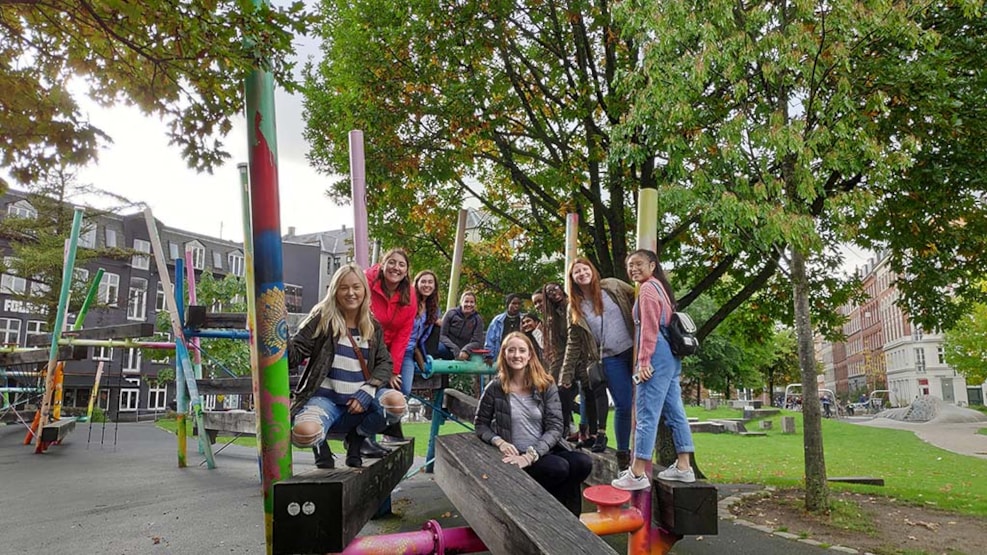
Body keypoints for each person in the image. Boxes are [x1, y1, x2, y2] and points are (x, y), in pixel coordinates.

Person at [288, 263, 407, 469]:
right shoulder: (322, 319)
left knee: (396, 403)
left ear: (364, 290)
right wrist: (278, 334)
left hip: (361, 398)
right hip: (326, 399)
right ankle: (320, 443)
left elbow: (385, 362)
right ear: (335, 291)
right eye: (344, 288)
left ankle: (357, 438)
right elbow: (294, 356)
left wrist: (368, 390)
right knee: (304, 434)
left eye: (356, 287)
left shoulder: (371, 325)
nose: (351, 293)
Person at [474, 331, 593, 516]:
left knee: (582, 462)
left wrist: (531, 455)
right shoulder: (496, 388)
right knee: (559, 468)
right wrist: (499, 441)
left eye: (522, 350)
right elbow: (481, 424)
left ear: (530, 355)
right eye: (511, 350)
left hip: (541, 450)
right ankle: (560, 514)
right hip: (516, 453)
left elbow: (555, 427)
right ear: (504, 354)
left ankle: (564, 514)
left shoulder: (545, 385)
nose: (516, 355)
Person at [612, 250, 696, 490]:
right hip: (669, 354)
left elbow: (648, 328)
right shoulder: (661, 288)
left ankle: (637, 473)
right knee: (675, 410)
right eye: (629, 265)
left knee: (646, 412)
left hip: (656, 352)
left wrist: (644, 361)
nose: (633, 269)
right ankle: (684, 466)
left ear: (652, 264)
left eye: (638, 263)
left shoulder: (648, 289)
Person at [561, 257, 636, 468]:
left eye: (585, 269)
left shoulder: (611, 286)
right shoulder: (574, 308)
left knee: (648, 401)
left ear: (592, 271)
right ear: (572, 279)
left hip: (633, 350)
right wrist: (566, 374)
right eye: (577, 272)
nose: (582, 273)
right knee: (624, 403)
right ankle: (623, 453)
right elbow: (573, 343)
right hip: (609, 357)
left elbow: (638, 296)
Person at [364, 248, 417, 451]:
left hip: (388, 346)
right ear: (383, 264)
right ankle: (365, 436)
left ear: (406, 270)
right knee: (369, 387)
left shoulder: (409, 294)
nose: (396, 268)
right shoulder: (369, 281)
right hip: (365, 342)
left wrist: (393, 369)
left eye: (401, 264)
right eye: (392, 262)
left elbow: (404, 333)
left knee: (400, 388)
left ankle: (387, 430)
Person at [541, 282, 575, 438]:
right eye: (549, 292)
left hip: (580, 354)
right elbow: (559, 348)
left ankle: (584, 429)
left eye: (555, 289)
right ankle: (564, 425)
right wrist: (553, 375)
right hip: (564, 355)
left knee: (583, 391)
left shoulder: (573, 305)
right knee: (557, 389)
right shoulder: (553, 316)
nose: (553, 293)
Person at [438, 291, 485, 360]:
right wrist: (454, 348)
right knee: (439, 349)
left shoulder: (477, 319)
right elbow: (442, 335)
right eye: (466, 301)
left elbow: (477, 341)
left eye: (472, 302)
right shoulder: (451, 314)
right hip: (447, 346)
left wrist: (466, 349)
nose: (469, 304)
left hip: (465, 350)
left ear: (475, 304)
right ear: (461, 302)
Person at [484, 294, 523, 364]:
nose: (516, 306)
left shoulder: (524, 319)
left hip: (519, 356)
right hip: (500, 356)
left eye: (518, 304)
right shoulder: (497, 320)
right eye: (514, 303)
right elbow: (490, 340)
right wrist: (489, 356)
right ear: (508, 304)